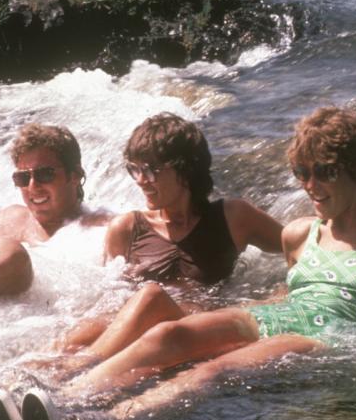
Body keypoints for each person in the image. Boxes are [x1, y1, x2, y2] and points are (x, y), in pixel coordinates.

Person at [0, 107, 356, 420]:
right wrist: (259, 303)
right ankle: (57, 399)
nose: (311, 185)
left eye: (323, 172)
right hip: (278, 314)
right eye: (302, 174)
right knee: (170, 333)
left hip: (333, 332)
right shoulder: (300, 233)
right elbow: (293, 288)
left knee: (215, 368)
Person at [54, 112, 284, 361]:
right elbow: (108, 297)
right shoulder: (126, 228)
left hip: (191, 331)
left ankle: (79, 366)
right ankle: (31, 371)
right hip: (137, 331)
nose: (141, 181)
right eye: (134, 170)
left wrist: (280, 294)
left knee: (151, 296)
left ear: (185, 170)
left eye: (150, 171)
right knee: (83, 331)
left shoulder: (233, 216)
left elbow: (297, 243)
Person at [0, 123, 110, 308]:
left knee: (9, 252)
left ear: (75, 175)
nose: (32, 186)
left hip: (43, 319)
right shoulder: (10, 219)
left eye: (45, 174)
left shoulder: (104, 230)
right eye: (22, 178)